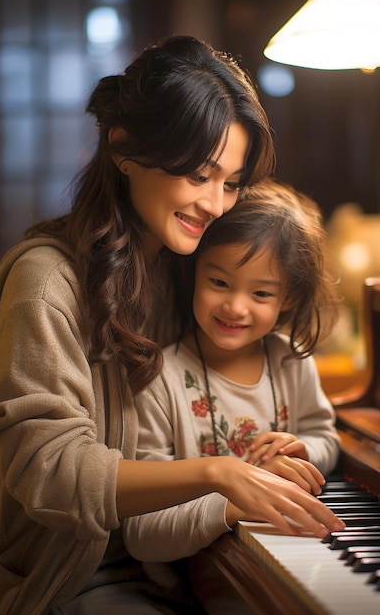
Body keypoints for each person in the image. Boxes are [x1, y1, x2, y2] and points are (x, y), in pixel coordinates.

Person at [0, 35, 345, 615]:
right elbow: (51, 470)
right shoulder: (44, 283)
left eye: (232, 182)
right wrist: (221, 475)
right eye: (199, 174)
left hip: (184, 561)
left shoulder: (188, 271)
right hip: (69, 581)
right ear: (125, 149)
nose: (217, 204)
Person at [123, 179, 342, 569]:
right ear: (194, 273)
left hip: (287, 562)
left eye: (260, 293)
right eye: (219, 282)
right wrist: (232, 505)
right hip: (196, 582)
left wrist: (303, 451)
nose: (236, 307)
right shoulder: (160, 380)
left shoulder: (291, 362)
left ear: (288, 296)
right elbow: (141, 535)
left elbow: (326, 437)